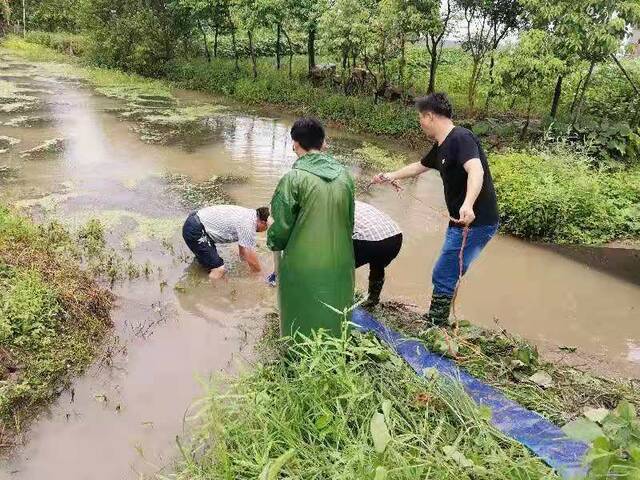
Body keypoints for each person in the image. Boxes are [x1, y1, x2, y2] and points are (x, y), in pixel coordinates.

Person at [371, 92, 499, 326]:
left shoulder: (461, 137)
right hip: (458, 221)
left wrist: (468, 204)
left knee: (444, 272)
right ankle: (437, 319)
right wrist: (388, 176)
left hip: (476, 222)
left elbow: (476, 170)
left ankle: (436, 324)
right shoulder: (442, 145)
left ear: (429, 116)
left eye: (421, 118)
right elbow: (418, 166)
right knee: (448, 270)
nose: (420, 123)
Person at [268, 117, 355, 338]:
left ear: (295, 143)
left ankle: (297, 360)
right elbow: (349, 221)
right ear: (322, 142)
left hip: (303, 265)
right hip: (342, 262)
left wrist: (272, 236)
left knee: (302, 320)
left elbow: (281, 228)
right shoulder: (345, 176)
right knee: (335, 319)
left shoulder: (294, 178)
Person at [182, 205, 269, 280]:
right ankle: (216, 296)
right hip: (196, 229)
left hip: (196, 221)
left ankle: (198, 273)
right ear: (263, 222)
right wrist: (260, 276)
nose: (264, 230)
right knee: (219, 269)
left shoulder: (250, 215)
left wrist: (243, 264)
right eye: (266, 228)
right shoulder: (248, 225)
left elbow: (243, 249)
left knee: (205, 263)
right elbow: (251, 259)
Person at [353, 200, 403, 308]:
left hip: (372, 241)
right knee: (377, 266)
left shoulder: (333, 211)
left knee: (342, 266)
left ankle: (339, 297)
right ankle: (372, 300)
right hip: (395, 236)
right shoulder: (356, 203)